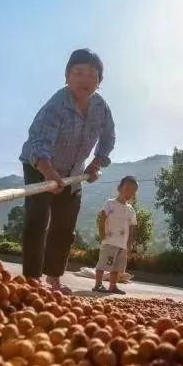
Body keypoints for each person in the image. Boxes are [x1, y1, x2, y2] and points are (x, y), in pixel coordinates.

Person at [19, 48, 116, 293]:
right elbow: (38, 143)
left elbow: (108, 138)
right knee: (37, 221)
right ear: (66, 77)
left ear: (99, 82)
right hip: (39, 166)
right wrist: (48, 172)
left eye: (92, 75)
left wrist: (96, 163)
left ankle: (53, 278)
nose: (84, 79)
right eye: (78, 72)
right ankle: (32, 281)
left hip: (73, 173)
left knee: (64, 226)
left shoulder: (101, 108)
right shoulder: (56, 106)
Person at [93, 176, 138, 295]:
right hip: (109, 240)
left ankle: (112, 286)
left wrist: (129, 245)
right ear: (120, 188)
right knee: (103, 263)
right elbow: (102, 218)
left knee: (117, 268)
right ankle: (98, 284)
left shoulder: (130, 209)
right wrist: (102, 234)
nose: (130, 192)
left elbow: (131, 228)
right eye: (127, 188)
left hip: (122, 244)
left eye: (133, 190)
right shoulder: (110, 203)